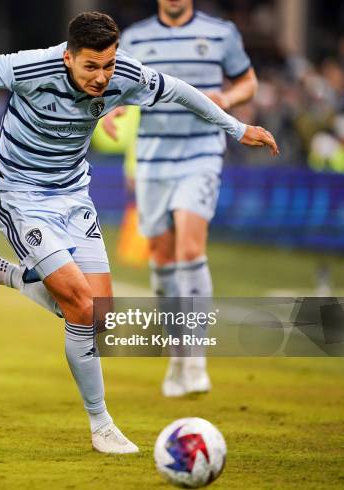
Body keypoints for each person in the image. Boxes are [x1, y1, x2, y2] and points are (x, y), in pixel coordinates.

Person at [0, 11, 277, 454]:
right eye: (91, 67)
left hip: (73, 195)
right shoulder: (33, 65)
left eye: (108, 64)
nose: (102, 77)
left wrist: (237, 128)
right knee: (81, 306)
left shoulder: (125, 75)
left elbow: (178, 90)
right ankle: (101, 425)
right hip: (21, 194)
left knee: (97, 315)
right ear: (68, 58)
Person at [101, 0, 260, 397]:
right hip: (153, 158)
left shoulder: (221, 33)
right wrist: (110, 109)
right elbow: (119, 87)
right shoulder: (136, 38)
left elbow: (248, 82)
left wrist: (228, 98)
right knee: (162, 257)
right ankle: (177, 353)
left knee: (191, 249)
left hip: (201, 154)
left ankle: (196, 358)